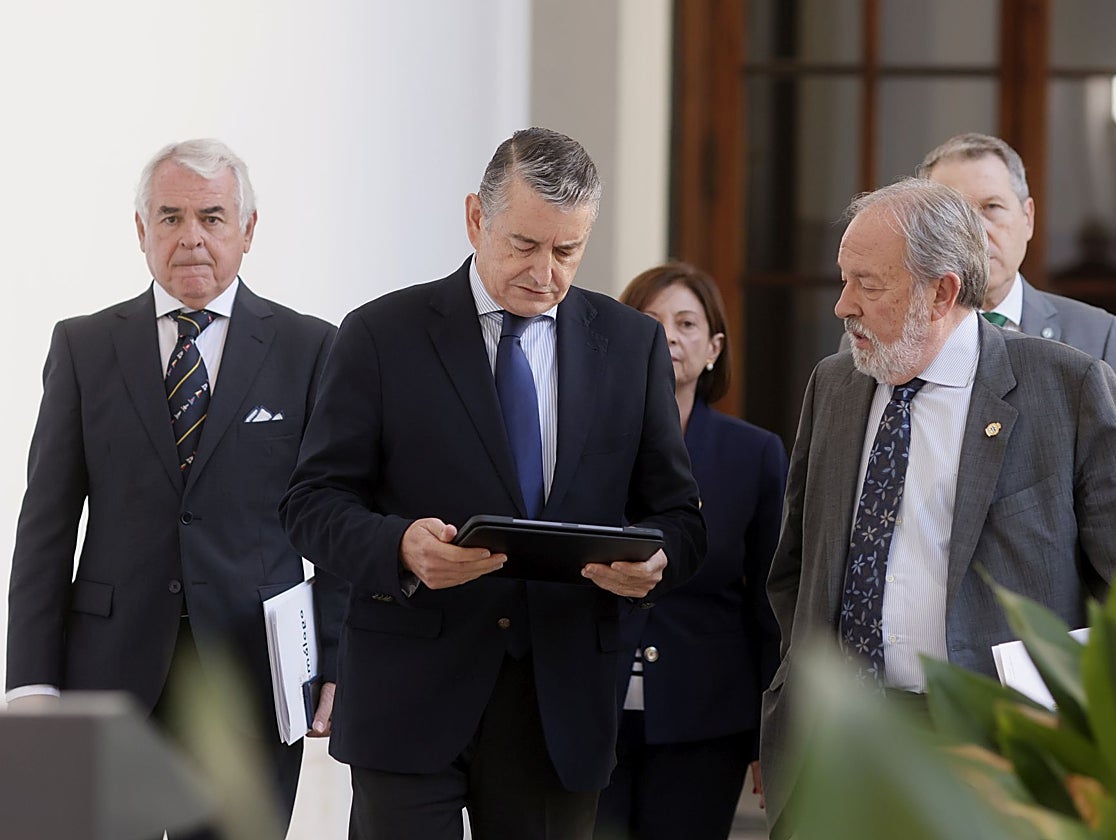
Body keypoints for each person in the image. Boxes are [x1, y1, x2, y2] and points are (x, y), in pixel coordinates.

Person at [279, 127, 706, 840]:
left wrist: (655, 562)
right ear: (476, 217)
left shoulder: (630, 345)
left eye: (567, 251)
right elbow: (310, 503)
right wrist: (400, 547)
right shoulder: (381, 334)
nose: (545, 273)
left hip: (560, 705)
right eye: (524, 245)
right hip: (408, 699)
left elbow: (680, 517)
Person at [759, 178, 1116, 838]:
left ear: (941, 291)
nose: (842, 305)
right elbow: (796, 564)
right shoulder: (835, 384)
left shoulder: (1068, 388)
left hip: (995, 755)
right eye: (843, 279)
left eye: (868, 284)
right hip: (841, 743)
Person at [5, 139, 346, 839]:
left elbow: (337, 520)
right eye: (170, 217)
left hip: (251, 682)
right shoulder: (84, 346)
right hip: (106, 679)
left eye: (213, 217)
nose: (191, 236)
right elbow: (45, 527)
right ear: (141, 230)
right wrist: (30, 682)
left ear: (248, 230)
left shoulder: (311, 350)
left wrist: (338, 660)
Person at [595, 262, 787, 840]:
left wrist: (770, 734)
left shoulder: (753, 454)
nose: (669, 336)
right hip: (588, 708)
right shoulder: (581, 442)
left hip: (707, 717)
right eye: (650, 321)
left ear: (713, 348)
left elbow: (769, 599)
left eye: (685, 323)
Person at [917, 132, 1116, 434]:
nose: (975, 232)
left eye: (991, 207)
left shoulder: (1093, 335)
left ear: (1028, 218)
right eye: (953, 213)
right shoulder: (888, 330)